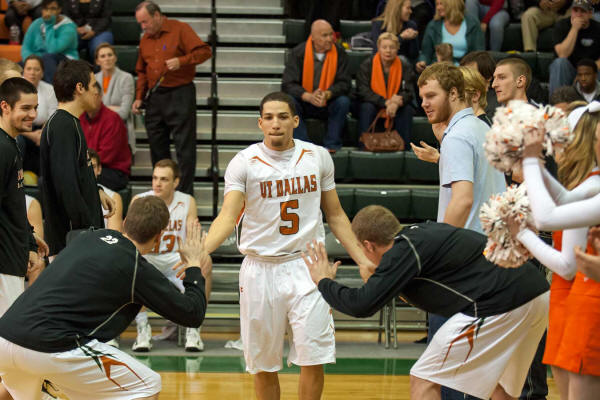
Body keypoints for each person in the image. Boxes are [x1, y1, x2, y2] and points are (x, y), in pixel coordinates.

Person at [203, 91, 376, 400]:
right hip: (260, 268)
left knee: (313, 358)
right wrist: (200, 253)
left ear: (295, 121)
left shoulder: (318, 157)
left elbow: (336, 214)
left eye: (283, 117)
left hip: (308, 266)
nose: (276, 123)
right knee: (264, 365)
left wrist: (362, 259)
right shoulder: (243, 163)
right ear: (260, 123)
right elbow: (227, 217)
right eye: (269, 117)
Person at [303, 205, 549, 400]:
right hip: (536, 292)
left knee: (424, 379)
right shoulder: (419, 236)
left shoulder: (401, 253)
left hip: (500, 302)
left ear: (368, 245)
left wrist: (324, 281)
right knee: (501, 389)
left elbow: (361, 305)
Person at [0, 196, 211, 400]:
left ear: (125, 222)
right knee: (147, 385)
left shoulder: (87, 237)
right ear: (159, 237)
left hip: (5, 337)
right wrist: (194, 265)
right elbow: (192, 313)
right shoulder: (135, 267)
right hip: (50, 345)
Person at [416, 62, 506, 400]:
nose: (424, 103)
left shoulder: (457, 136)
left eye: (431, 96)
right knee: (478, 374)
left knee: (443, 375)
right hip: (490, 258)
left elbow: (463, 200)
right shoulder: (482, 129)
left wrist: (435, 251)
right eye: (422, 97)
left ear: (454, 93)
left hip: (461, 267)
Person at [507, 100, 600, 400]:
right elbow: (563, 202)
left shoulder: (595, 185)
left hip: (588, 300)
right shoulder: (589, 185)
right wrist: (534, 163)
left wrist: (523, 234)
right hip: (576, 298)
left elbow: (551, 222)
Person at [131, 1, 212, 196]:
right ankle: (163, 194)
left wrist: (181, 61)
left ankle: (184, 196)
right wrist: (139, 97)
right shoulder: (145, 39)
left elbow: (204, 51)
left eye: (145, 22)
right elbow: (142, 71)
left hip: (180, 92)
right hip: (155, 95)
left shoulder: (180, 29)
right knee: (157, 148)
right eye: (140, 23)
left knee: (185, 148)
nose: (143, 27)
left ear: (157, 15)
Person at [129, 159, 209, 353]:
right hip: (149, 257)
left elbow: (192, 235)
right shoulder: (139, 200)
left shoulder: (187, 201)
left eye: (164, 179)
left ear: (176, 182)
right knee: (132, 264)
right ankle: (142, 329)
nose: (157, 183)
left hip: (176, 258)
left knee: (205, 262)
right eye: (155, 178)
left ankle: (194, 328)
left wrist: (194, 255)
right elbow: (131, 237)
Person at [0, 77, 48, 400]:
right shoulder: (2, 149)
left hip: (12, 260)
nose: (32, 115)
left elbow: (12, 205)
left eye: (35, 107)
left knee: (14, 348)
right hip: (2, 266)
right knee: (17, 346)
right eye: (25, 108)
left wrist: (29, 239)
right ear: (4, 107)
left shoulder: (13, 145)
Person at [40, 59, 114, 257]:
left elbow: (76, 174)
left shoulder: (69, 123)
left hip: (77, 238)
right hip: (72, 241)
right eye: (93, 85)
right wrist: (88, 229)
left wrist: (96, 191)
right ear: (80, 88)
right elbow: (66, 187)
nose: (96, 92)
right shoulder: (62, 126)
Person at [281, 19, 351, 152]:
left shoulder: (340, 53)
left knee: (343, 102)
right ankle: (303, 146)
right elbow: (288, 84)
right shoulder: (298, 52)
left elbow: (345, 83)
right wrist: (308, 96)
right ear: (313, 37)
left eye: (331, 34)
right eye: (325, 35)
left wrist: (327, 94)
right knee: (289, 101)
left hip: (328, 100)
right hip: (305, 101)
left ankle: (332, 145)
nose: (330, 39)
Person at [411, 65, 491, 163]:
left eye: (461, 91)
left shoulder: (472, 130)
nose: (456, 96)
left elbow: (465, 168)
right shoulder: (469, 127)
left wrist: (438, 158)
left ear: (475, 95)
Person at [357, 33, 415, 145]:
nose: (388, 51)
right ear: (378, 48)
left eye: (392, 47)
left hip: (396, 104)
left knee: (407, 109)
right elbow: (363, 90)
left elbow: (409, 91)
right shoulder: (367, 65)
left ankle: (403, 146)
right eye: (384, 47)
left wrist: (397, 102)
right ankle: (364, 145)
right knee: (366, 107)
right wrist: (385, 102)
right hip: (374, 102)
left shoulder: (404, 65)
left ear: (397, 48)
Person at [80, 82, 131, 192]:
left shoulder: (112, 119)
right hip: (88, 165)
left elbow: (106, 156)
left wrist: (80, 164)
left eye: (94, 95)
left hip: (113, 170)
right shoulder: (79, 119)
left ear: (100, 96)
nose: (89, 99)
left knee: (79, 177)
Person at [416, 0, 485, 72]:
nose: (438, 8)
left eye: (441, 4)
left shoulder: (473, 23)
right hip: (440, 69)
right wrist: (422, 62)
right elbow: (426, 53)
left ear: (453, 3)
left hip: (467, 69)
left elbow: (479, 52)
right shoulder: (433, 26)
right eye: (437, 4)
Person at [17, 55, 57, 176]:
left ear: (42, 73)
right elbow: (11, 121)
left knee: (52, 139)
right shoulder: (15, 88)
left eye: (36, 69)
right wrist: (31, 135)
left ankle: (44, 181)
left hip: (42, 130)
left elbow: (52, 116)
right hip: (19, 131)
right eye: (29, 69)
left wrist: (42, 134)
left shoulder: (49, 89)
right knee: (18, 141)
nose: (32, 73)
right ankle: (16, 177)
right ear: (23, 71)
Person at [550, 0, 600, 96]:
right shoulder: (561, 25)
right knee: (559, 63)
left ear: (590, 13)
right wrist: (574, 29)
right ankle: (557, 102)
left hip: (590, 71)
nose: (578, 15)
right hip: (569, 71)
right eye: (575, 10)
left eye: (583, 11)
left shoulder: (598, 28)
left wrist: (583, 73)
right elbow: (562, 54)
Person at [21, 0, 79, 83]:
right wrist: (31, 62)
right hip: (40, 59)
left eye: (53, 9)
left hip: (66, 60)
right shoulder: (37, 23)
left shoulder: (69, 27)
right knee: (18, 67)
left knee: (48, 58)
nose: (49, 12)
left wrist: (49, 24)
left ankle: (53, 89)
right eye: (46, 9)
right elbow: (26, 47)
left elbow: (53, 49)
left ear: (59, 9)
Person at [94, 42, 136, 153]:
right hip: (97, 134)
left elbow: (124, 113)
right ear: (97, 61)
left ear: (115, 58)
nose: (107, 59)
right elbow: (90, 111)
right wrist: (112, 108)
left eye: (110, 55)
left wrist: (101, 108)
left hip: (119, 132)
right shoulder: (93, 79)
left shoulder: (126, 78)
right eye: (103, 56)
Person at [89, 149, 122, 232]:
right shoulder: (71, 195)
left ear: (99, 169)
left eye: (93, 167)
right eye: (85, 167)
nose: (89, 171)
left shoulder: (113, 197)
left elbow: (114, 235)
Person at [460, 50, 499, 115]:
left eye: (472, 73)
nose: (466, 76)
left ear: (488, 77)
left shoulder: (494, 108)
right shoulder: (461, 97)